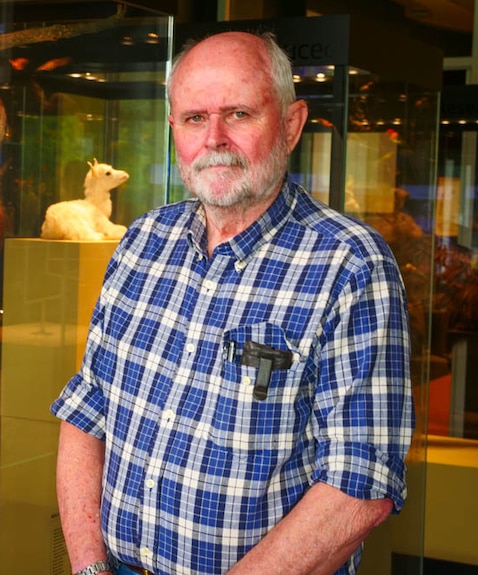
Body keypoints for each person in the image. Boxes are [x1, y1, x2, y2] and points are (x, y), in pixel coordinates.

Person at [51, 30, 414, 575]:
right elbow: (87, 412)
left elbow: (360, 483)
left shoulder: (350, 265)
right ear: (173, 128)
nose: (214, 137)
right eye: (195, 117)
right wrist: (88, 568)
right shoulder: (143, 242)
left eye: (239, 114)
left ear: (291, 125)